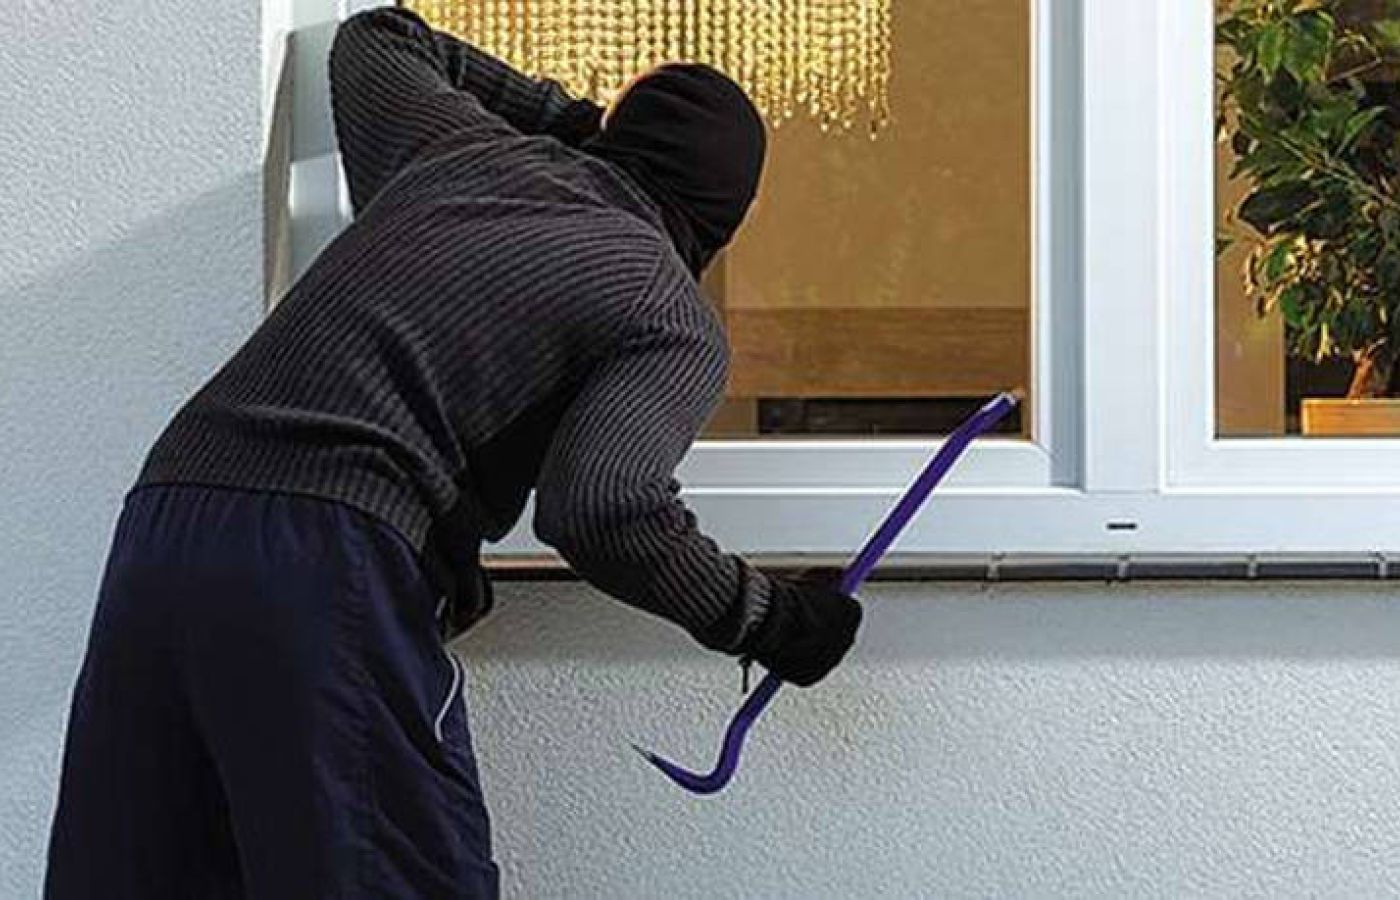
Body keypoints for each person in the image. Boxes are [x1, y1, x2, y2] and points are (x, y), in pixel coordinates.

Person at [43, 7, 863, 898]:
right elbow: (604, 509)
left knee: (149, 874)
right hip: (328, 556)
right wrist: (765, 619)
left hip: (166, 518)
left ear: (616, 137)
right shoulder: (665, 307)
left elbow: (375, 38)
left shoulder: (456, 155)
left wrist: (573, 124)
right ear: (723, 220)